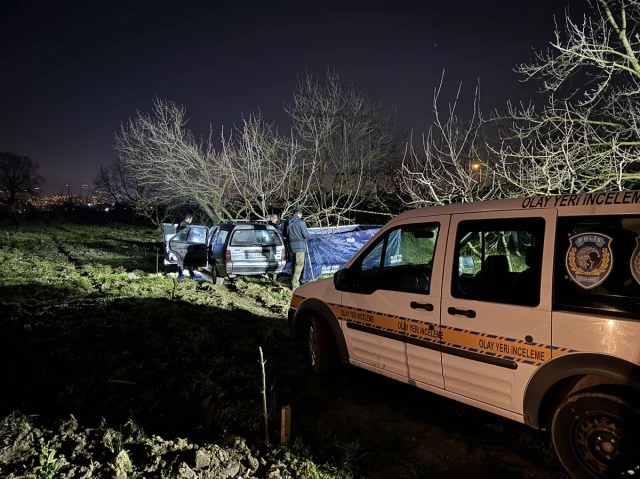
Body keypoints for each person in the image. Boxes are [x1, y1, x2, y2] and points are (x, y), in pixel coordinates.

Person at [287, 210, 309, 289]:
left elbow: (284, 234)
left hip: (290, 247)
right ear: (300, 215)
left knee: (293, 264)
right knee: (299, 265)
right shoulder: (301, 223)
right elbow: (306, 235)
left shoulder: (288, 222)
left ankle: (293, 281)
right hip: (300, 247)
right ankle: (295, 284)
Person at [176, 213, 202, 280]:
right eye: (191, 220)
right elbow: (190, 234)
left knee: (180, 260)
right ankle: (192, 274)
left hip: (179, 244)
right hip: (186, 244)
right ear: (188, 218)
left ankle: (181, 275)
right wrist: (198, 235)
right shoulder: (186, 225)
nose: (191, 221)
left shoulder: (180, 224)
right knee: (190, 259)